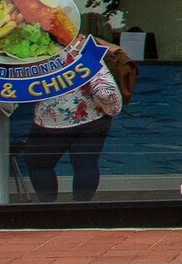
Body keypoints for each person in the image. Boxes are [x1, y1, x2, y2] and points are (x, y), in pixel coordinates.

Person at [23, 48, 136, 202]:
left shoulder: (35, 47)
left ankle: (48, 209)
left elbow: (21, 84)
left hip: (52, 119)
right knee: (86, 165)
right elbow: (117, 51)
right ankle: (81, 210)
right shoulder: (83, 41)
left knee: (40, 165)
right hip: (93, 112)